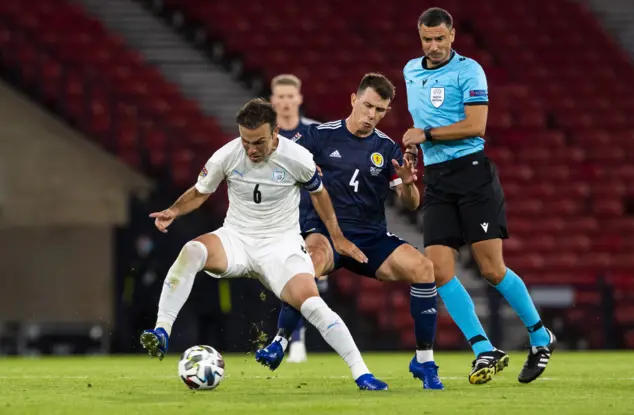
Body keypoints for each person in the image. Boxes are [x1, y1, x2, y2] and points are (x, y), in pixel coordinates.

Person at [140, 98, 387, 391]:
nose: (251, 149)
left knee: (313, 305)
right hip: (236, 238)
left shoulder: (297, 158)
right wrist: (174, 210)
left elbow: (320, 195)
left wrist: (336, 236)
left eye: (258, 142)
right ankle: (162, 330)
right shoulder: (227, 155)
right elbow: (200, 191)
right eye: (245, 141)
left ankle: (362, 373)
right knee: (192, 250)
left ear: (275, 133)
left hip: (280, 246)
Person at [256, 73, 444, 390]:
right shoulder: (319, 135)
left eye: (380, 110)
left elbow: (411, 204)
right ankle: (280, 340)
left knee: (424, 268)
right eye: (368, 106)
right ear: (354, 100)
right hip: (326, 231)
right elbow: (280, 163)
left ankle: (424, 360)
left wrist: (410, 185)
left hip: (370, 237)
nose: (371, 115)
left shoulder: (386, 148)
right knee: (310, 263)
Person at [402, 7, 556, 385]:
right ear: (420, 38)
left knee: (490, 269)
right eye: (427, 39)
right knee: (438, 272)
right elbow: (421, 123)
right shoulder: (410, 71)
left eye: (440, 38)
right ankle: (483, 348)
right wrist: (414, 150)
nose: (434, 46)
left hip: (472, 176)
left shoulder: (469, 70)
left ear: (453, 35)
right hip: (438, 180)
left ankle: (540, 336)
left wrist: (427, 136)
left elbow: (476, 125)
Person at [269, 74, 323, 363]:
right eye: (281, 97)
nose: (287, 102)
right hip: (278, 221)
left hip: (310, 220)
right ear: (272, 100)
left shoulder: (314, 133)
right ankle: (294, 338)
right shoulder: (264, 135)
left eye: (291, 96)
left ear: (299, 99)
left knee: (306, 278)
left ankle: (296, 339)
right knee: (286, 281)